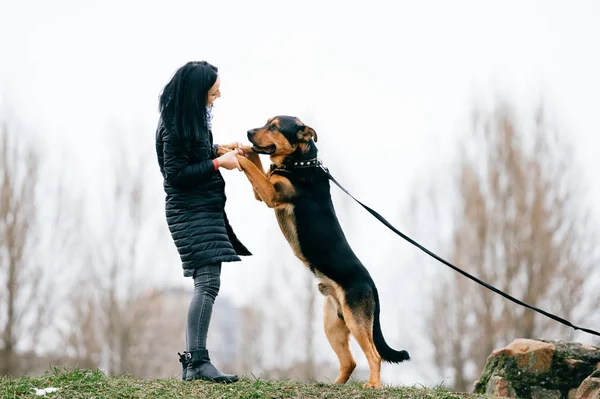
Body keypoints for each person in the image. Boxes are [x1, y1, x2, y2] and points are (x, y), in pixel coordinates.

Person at [155, 61, 251, 383]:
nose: (219, 95)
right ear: (197, 93)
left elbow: (193, 154)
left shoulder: (187, 120)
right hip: (188, 211)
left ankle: (196, 363)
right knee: (207, 282)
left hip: (203, 209)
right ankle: (196, 364)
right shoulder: (173, 126)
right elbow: (176, 176)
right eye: (214, 91)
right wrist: (217, 162)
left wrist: (220, 148)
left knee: (209, 282)